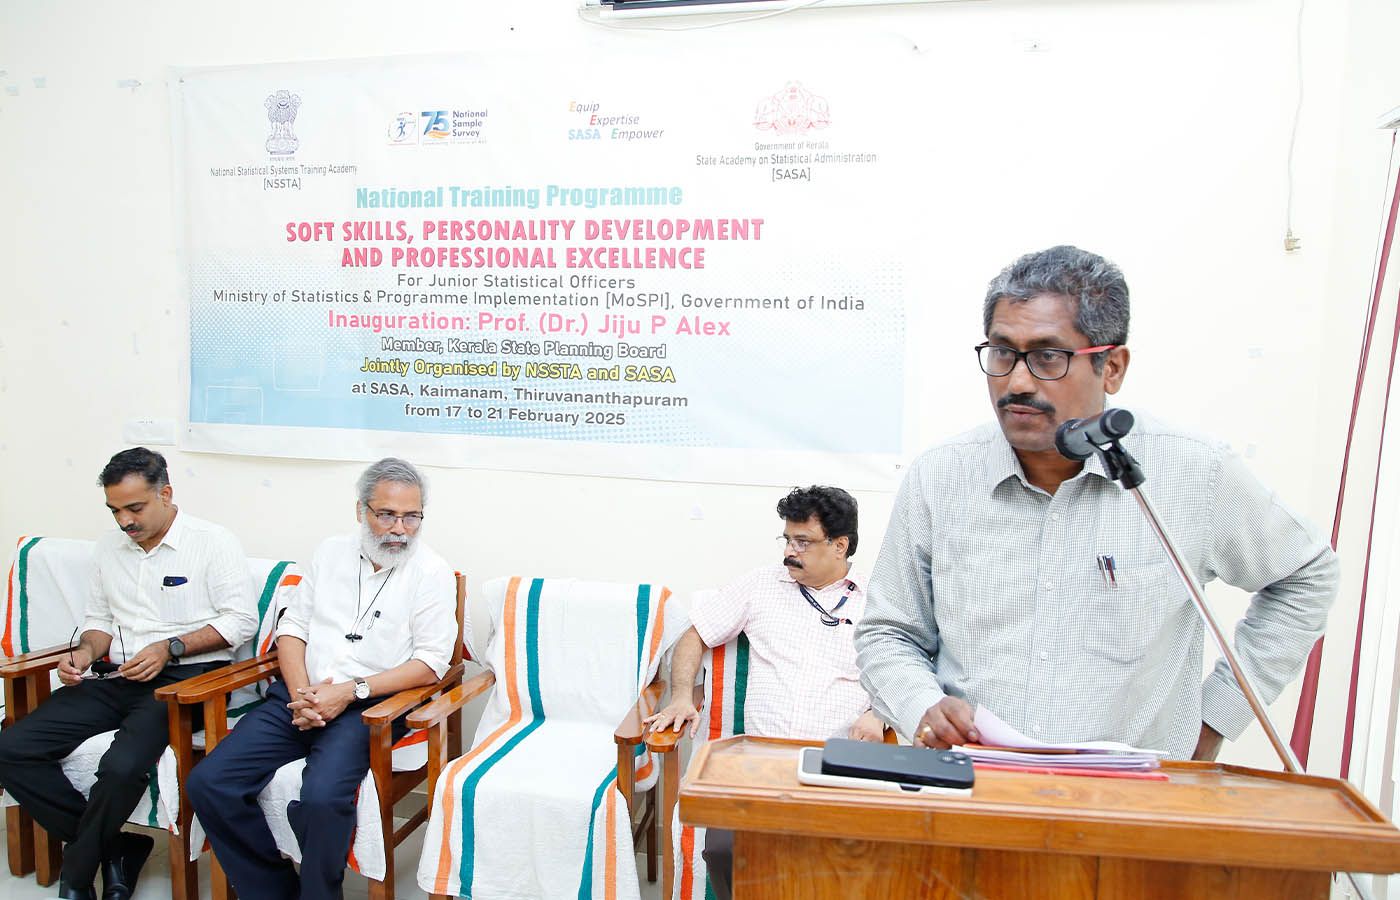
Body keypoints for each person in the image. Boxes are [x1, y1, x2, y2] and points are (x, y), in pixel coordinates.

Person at [855, 245, 1339, 762]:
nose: (1017, 381)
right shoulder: (940, 476)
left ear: (1112, 368)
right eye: (1002, 353)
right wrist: (922, 705)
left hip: (1133, 795)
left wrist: (1215, 719)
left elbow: (1305, 575)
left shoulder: (1194, 472)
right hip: (973, 785)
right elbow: (889, 631)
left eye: (1048, 357)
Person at [185, 457, 458, 900]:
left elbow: (431, 663)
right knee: (209, 782)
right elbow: (292, 629)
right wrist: (302, 696)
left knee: (322, 799)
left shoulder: (431, 572)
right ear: (360, 510)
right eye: (387, 514)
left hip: (368, 709)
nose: (400, 529)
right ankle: (274, 891)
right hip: (298, 696)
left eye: (412, 517)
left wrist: (347, 692)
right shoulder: (329, 552)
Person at [0, 447, 256, 900]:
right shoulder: (109, 547)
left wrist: (170, 648)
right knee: (11, 749)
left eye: (134, 508)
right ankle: (116, 848)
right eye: (115, 510)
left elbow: (240, 622)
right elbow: (98, 620)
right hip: (116, 676)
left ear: (166, 494)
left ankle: (77, 875)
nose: (124, 521)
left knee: (120, 768)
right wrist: (82, 654)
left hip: (185, 682)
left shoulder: (213, 542)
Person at [645, 484, 887, 900]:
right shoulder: (762, 585)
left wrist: (879, 713)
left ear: (840, 545)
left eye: (803, 541)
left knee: (845, 857)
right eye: (787, 539)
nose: (789, 551)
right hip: (759, 763)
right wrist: (682, 695)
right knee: (722, 849)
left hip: (836, 764)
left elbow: (909, 668)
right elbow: (694, 634)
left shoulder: (877, 602)